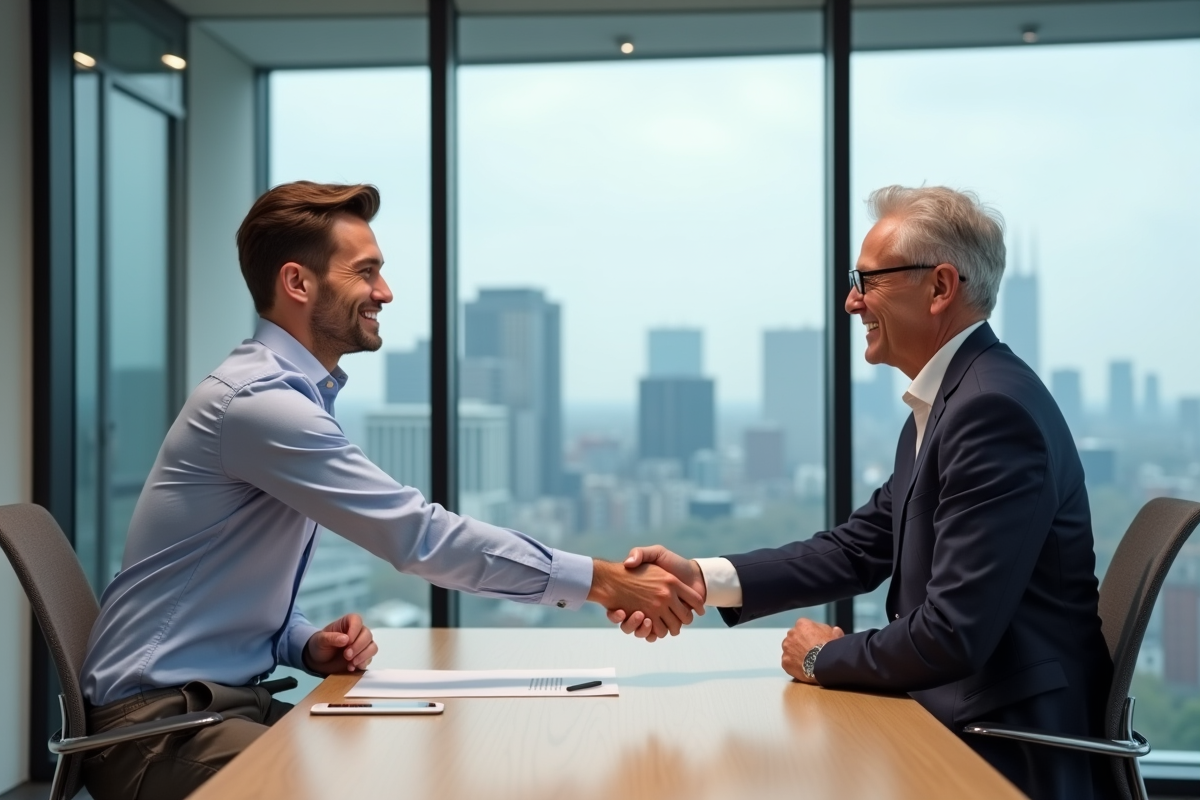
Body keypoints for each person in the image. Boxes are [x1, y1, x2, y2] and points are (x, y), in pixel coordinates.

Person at [80, 181, 702, 800]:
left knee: (409, 758)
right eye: (366, 272)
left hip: (214, 710)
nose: (385, 292)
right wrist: (601, 579)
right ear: (298, 284)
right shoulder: (261, 405)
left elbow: (216, 592)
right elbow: (417, 535)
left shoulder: (284, 395)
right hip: (157, 735)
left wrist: (300, 641)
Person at [611, 186, 1114, 800]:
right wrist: (699, 576)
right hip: (953, 719)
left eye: (868, 281)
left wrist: (827, 657)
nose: (852, 302)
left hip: (1000, 750)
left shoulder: (989, 411)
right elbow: (857, 549)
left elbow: (951, 633)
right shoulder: (952, 400)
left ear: (940, 288)